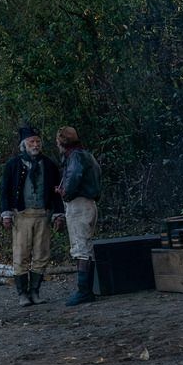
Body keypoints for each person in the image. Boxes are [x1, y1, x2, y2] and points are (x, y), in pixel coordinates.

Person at [0, 126, 64, 305]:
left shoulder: (49, 164)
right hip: (22, 215)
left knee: (42, 254)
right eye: (31, 142)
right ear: (24, 145)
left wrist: (58, 214)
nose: (35, 145)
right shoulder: (13, 164)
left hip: (43, 214)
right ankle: (22, 294)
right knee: (21, 255)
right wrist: (5, 214)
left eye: (37, 142)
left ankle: (35, 292)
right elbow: (5, 191)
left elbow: (56, 192)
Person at [56, 127, 102, 306]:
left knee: (81, 247)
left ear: (62, 142)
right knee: (86, 246)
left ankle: (84, 291)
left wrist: (65, 193)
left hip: (79, 205)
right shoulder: (86, 155)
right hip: (88, 203)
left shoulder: (75, 156)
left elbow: (74, 176)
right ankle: (86, 290)